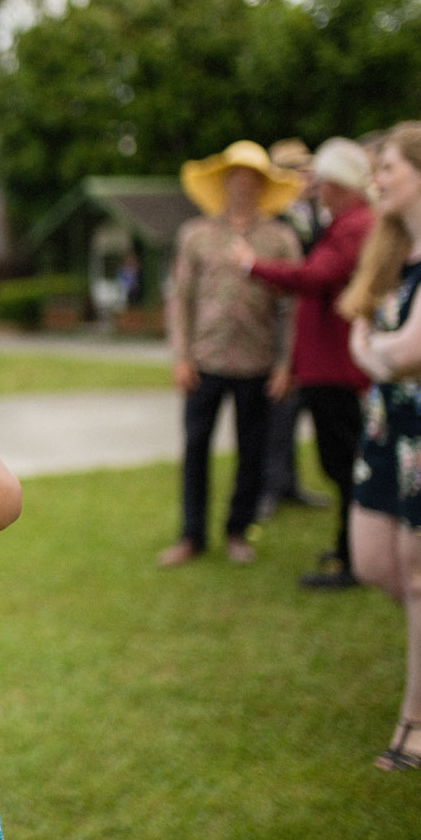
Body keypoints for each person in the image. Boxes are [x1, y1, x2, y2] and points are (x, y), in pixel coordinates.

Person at [337, 121, 421, 771]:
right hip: (386, 429)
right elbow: (371, 344)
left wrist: (375, 352)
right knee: (375, 563)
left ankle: (419, 720)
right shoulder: (392, 250)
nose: (376, 180)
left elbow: (411, 352)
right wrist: (380, 355)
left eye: (388, 169)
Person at [232, 137, 375, 588]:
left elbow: (317, 276)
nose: (315, 187)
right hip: (325, 365)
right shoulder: (344, 224)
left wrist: (254, 266)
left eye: (322, 181)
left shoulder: (353, 226)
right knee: (340, 462)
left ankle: (355, 559)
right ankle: (350, 548)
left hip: (335, 367)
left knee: (345, 462)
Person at [161, 140, 302, 567]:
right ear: (224, 184)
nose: (242, 186)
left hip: (257, 362)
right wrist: (181, 356)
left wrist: (285, 364)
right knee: (196, 448)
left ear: (262, 186)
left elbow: (293, 307)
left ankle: (238, 531)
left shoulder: (279, 239)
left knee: (252, 451)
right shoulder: (196, 235)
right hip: (205, 361)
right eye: (235, 179)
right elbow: (180, 299)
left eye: (251, 179)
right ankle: (192, 535)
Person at [258, 138, 331, 517]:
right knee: (278, 407)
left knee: (295, 409)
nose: (308, 177)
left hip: (311, 324)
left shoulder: (319, 215)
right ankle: (270, 486)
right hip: (280, 323)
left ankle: (288, 483)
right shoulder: (273, 220)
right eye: (299, 171)